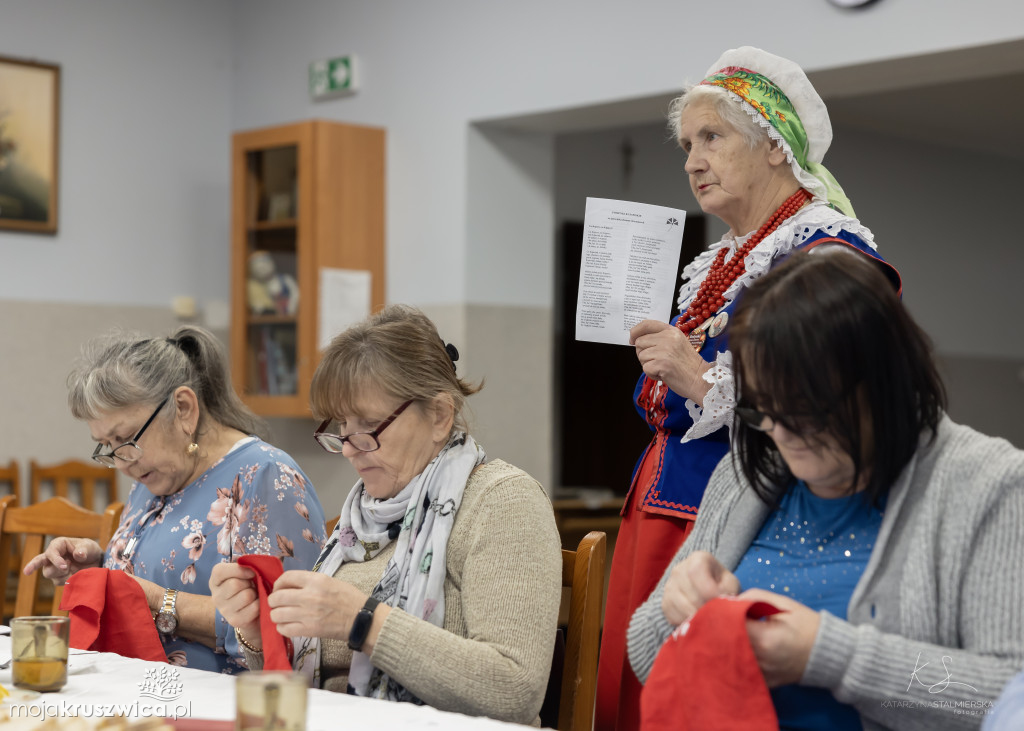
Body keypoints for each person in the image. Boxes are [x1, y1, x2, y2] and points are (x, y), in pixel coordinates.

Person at [596, 45, 901, 729]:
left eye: (712, 137)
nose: (692, 160)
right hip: (667, 509)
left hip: (749, 517)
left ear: (774, 147)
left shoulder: (830, 258)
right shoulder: (724, 260)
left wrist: (696, 376)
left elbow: (833, 412)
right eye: (686, 144)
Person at [627, 250, 1024, 730]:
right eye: (763, 411)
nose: (781, 433)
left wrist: (829, 656)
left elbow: (1001, 695)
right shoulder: (748, 471)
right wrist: (677, 606)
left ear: (882, 382)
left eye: (804, 410)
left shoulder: (988, 483)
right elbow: (646, 656)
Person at [209, 305, 562, 724]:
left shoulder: (502, 501)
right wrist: (254, 630)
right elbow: (309, 685)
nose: (351, 448)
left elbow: (514, 691)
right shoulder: (359, 517)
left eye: (370, 425)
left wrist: (366, 622)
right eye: (342, 426)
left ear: (439, 415)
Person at [24, 325, 327, 673]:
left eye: (124, 438)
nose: (121, 463)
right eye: (107, 447)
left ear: (183, 408)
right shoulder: (150, 477)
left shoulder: (265, 476)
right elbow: (154, 573)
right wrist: (98, 569)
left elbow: (294, 635)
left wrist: (154, 601)